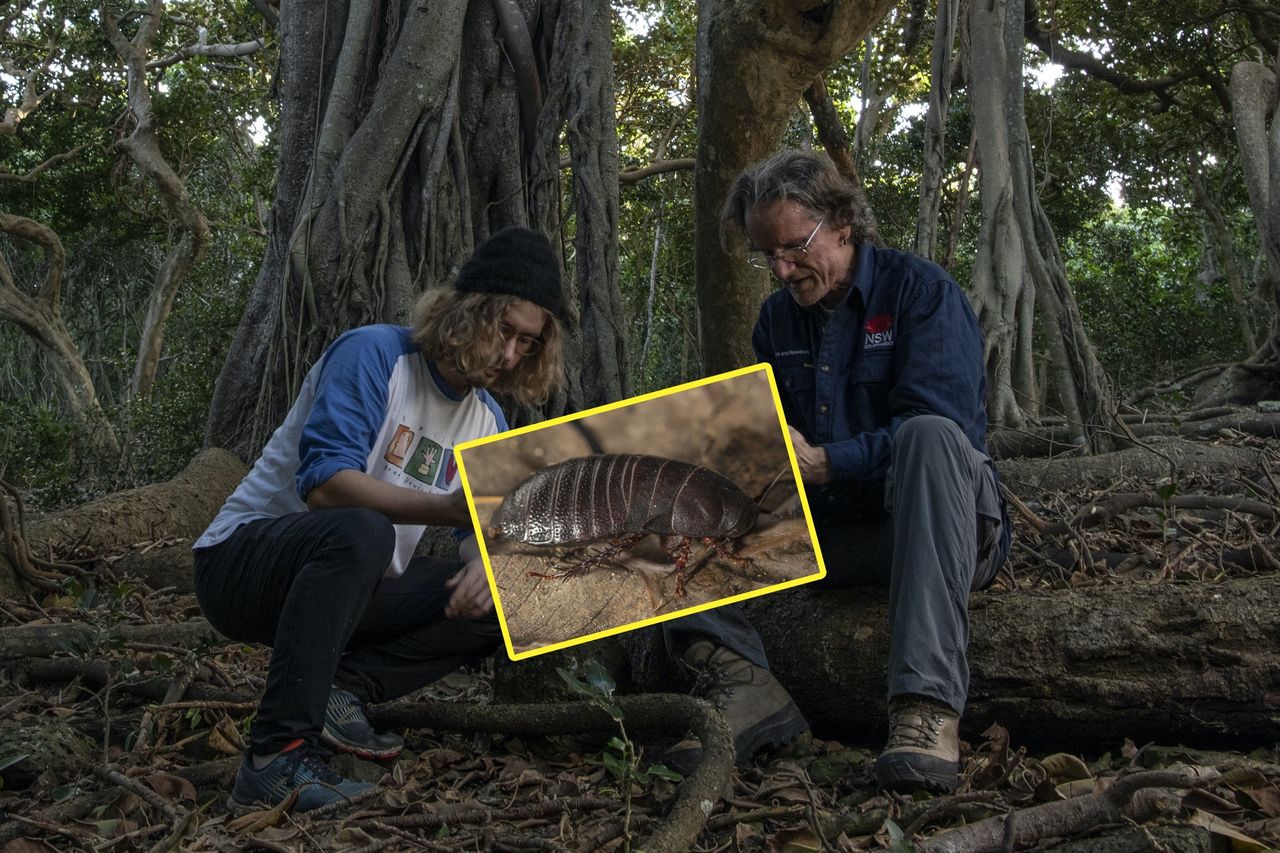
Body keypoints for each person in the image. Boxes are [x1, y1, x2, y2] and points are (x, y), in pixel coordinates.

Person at [663, 151, 1011, 793]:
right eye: (765, 254)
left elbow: (947, 434)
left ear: (843, 224)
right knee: (690, 454)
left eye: (794, 247)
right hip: (842, 536)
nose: (781, 268)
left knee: (929, 436)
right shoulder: (777, 320)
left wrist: (828, 461)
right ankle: (745, 688)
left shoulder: (921, 293)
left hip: (945, 528)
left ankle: (927, 709)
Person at [192, 227, 565, 813]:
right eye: (503, 330)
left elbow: (477, 531)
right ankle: (274, 758)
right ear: (468, 312)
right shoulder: (374, 354)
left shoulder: (489, 420)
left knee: (513, 593)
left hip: (351, 590)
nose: (510, 355)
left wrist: (488, 562)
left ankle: (346, 691)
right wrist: (445, 507)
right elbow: (324, 485)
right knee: (363, 528)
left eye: (527, 343)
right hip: (242, 565)